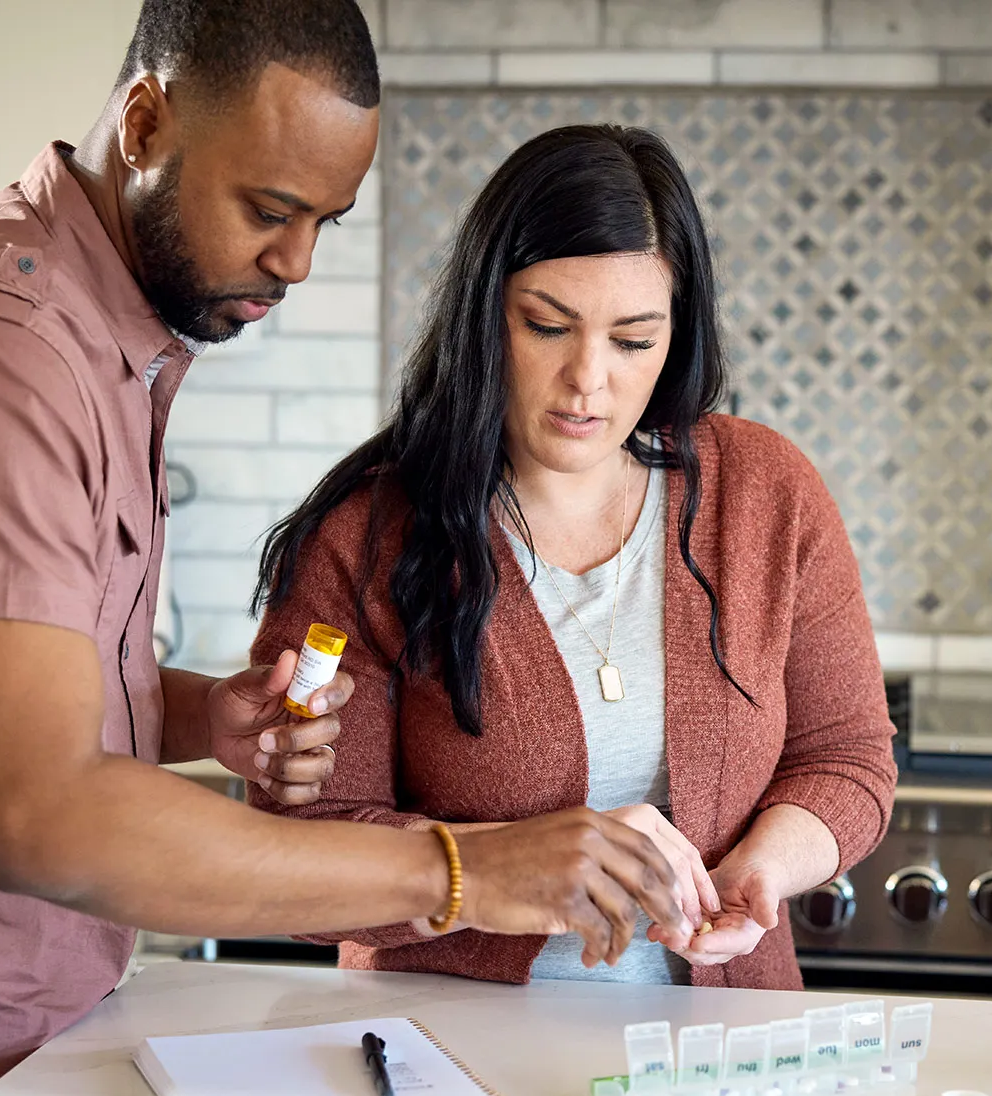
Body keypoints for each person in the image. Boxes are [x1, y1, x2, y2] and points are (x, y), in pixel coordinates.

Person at [0, 11, 686, 1096]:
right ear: (144, 123)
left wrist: (201, 714)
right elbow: (46, 815)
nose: (297, 262)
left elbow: (9, 694)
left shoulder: (103, 340)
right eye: (268, 210)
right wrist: (468, 872)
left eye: (325, 222)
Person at [250, 124, 899, 990]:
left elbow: (848, 758)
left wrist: (762, 867)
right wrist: (499, 867)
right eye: (548, 326)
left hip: (716, 1066)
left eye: (633, 341)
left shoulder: (766, 493)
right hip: (449, 1065)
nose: (590, 379)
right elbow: (298, 863)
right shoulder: (367, 539)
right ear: (487, 315)